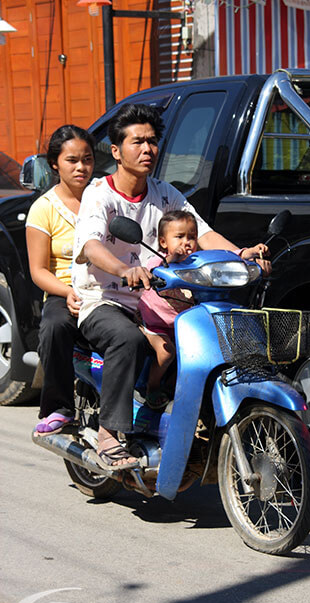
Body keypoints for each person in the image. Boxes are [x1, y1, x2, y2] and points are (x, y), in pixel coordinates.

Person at [72, 103, 270, 470]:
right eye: (137, 142)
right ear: (116, 151)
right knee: (126, 339)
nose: (147, 149)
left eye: (152, 141)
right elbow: (91, 244)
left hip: (161, 297)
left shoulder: (166, 194)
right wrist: (123, 270)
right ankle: (109, 435)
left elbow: (203, 231)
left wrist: (242, 255)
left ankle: (185, 415)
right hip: (106, 299)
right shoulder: (99, 195)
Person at [137, 210, 267, 409]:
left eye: (191, 237)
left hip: (185, 323)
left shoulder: (197, 260)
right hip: (157, 323)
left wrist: (246, 254)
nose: (186, 242)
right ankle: (152, 387)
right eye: (179, 237)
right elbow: (154, 270)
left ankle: (174, 388)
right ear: (163, 242)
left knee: (195, 357)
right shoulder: (159, 260)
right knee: (167, 354)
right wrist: (171, 259)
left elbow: (221, 258)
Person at [26, 125, 95, 434]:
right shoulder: (43, 209)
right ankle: (59, 408)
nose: (81, 167)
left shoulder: (103, 197)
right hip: (63, 291)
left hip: (106, 288)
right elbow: (39, 270)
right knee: (55, 326)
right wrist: (67, 292)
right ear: (55, 163)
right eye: (72, 160)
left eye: (87, 159)